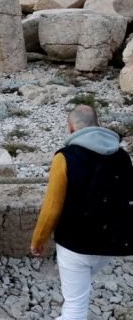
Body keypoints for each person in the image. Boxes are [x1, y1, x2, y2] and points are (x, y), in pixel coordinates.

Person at [30, 104, 133, 320]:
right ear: (98, 124)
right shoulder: (122, 156)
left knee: (75, 306)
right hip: (109, 244)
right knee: (80, 291)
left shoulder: (65, 157)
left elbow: (52, 207)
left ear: (70, 128)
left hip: (75, 243)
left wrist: (38, 239)